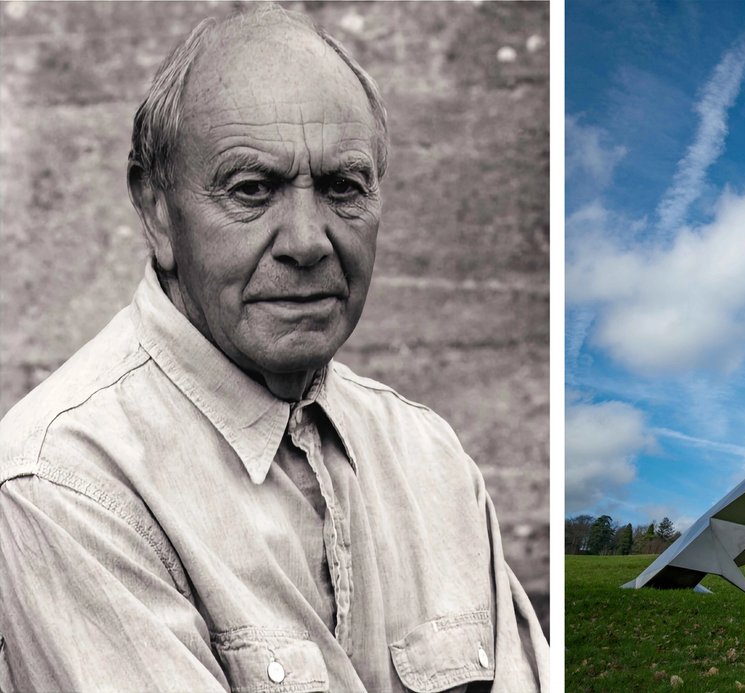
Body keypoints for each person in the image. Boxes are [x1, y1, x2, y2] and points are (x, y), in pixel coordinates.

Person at [0, 6, 548, 692]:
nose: (307, 241)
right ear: (157, 212)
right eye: (252, 189)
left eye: (343, 188)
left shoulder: (433, 459)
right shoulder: (66, 483)